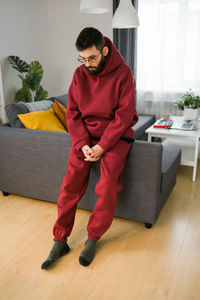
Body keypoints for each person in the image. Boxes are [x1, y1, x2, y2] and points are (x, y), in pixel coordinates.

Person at [41, 27, 138, 269]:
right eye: (82, 58)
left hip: (115, 137)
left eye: (92, 58)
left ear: (105, 51)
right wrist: (83, 143)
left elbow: (124, 115)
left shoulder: (124, 73)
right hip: (85, 138)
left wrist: (103, 146)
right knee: (70, 185)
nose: (87, 64)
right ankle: (60, 239)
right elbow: (73, 114)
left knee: (107, 185)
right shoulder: (79, 74)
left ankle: (93, 238)